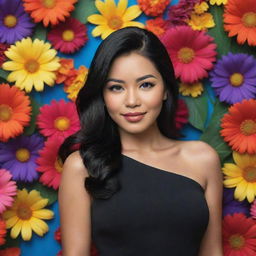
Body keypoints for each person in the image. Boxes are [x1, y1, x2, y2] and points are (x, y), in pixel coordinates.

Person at [58, 27, 223, 256]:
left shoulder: (203, 159)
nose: (132, 101)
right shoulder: (82, 166)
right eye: (116, 88)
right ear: (103, 97)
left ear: (165, 89)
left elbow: (213, 252)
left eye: (146, 85)